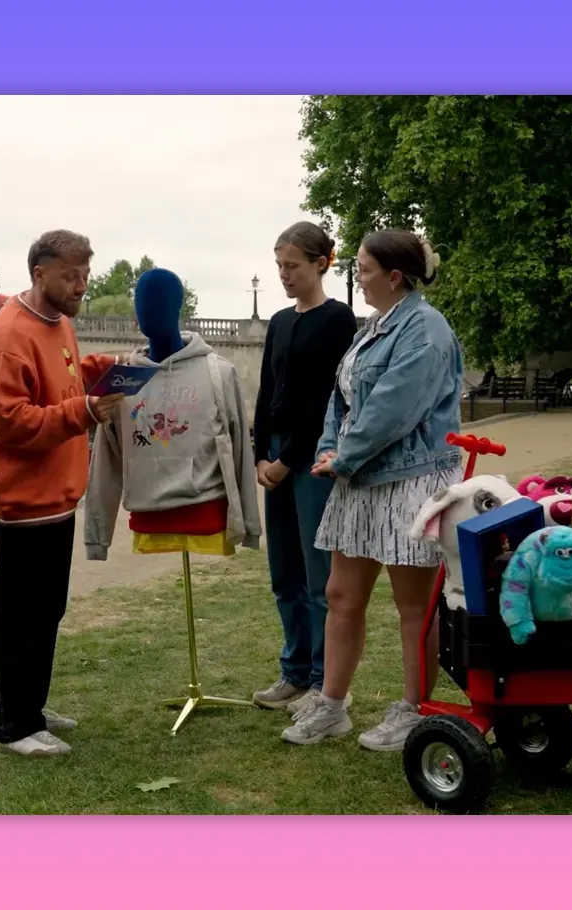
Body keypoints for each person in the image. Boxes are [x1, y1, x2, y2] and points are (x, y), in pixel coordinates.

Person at [280, 229, 465, 751]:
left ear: (394, 276)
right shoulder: (374, 327)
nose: (355, 277)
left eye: (362, 269)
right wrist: (329, 447)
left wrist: (345, 455)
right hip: (360, 480)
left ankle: (415, 708)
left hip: (411, 480)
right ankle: (332, 706)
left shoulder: (426, 330)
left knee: (414, 605)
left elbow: (394, 407)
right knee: (341, 595)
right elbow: (341, 398)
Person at [0, 229, 126, 758]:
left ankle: (30, 707)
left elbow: (60, 380)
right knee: (20, 616)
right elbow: (9, 421)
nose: (81, 284)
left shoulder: (57, 323)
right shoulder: (7, 336)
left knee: (46, 611)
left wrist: (102, 368)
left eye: (86, 274)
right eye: (71, 276)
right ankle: (14, 724)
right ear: (40, 274)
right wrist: (82, 412)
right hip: (24, 503)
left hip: (57, 497)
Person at [250, 222, 359, 713]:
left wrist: (287, 459)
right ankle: (293, 671)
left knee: (320, 576)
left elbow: (323, 399)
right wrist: (259, 452)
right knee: (284, 571)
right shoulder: (278, 320)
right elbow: (267, 390)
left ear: (321, 263)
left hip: (313, 454)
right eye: (279, 266)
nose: (284, 275)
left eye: (292, 265)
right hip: (275, 453)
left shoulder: (337, 320)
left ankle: (322, 679)